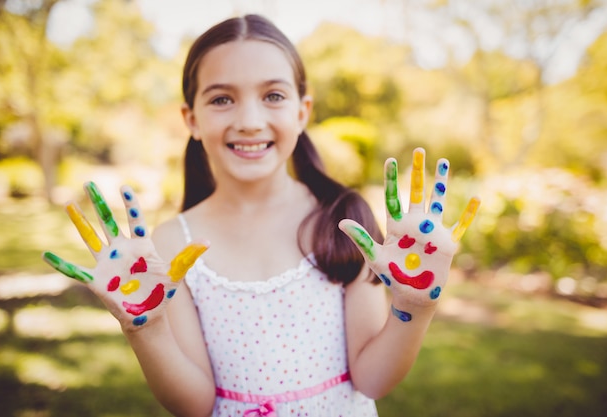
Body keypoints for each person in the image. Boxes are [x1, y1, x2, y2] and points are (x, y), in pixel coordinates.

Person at [43, 14, 479, 417]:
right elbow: (193, 404)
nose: (250, 120)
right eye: (222, 99)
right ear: (190, 119)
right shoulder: (174, 243)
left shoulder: (344, 220)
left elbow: (372, 379)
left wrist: (413, 306)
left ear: (302, 111)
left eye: (273, 95)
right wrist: (146, 328)